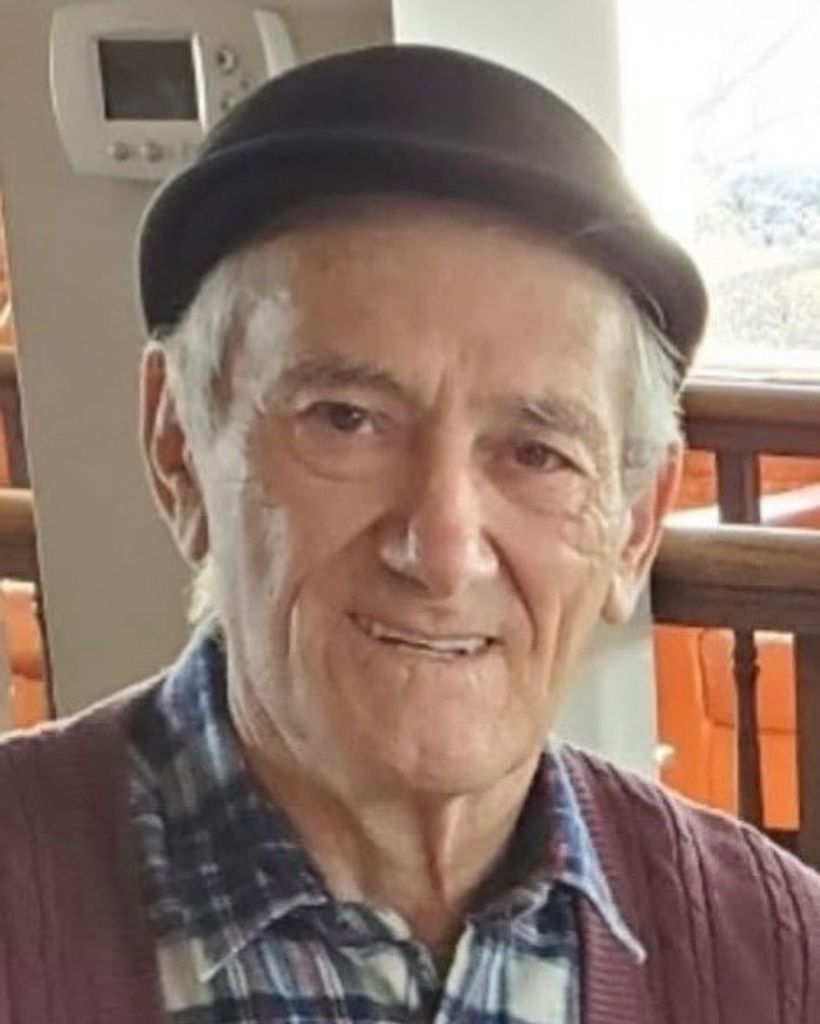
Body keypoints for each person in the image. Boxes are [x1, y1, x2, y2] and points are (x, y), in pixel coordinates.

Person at [1, 44, 818, 1024]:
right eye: (346, 419)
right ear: (178, 445)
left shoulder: (779, 963)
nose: (442, 550)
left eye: (537, 454)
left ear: (635, 526)